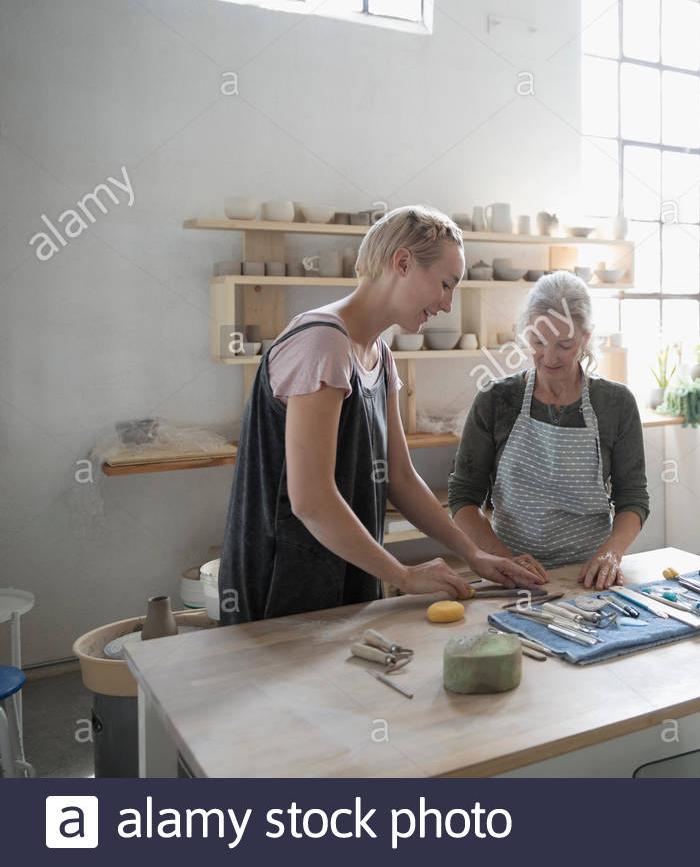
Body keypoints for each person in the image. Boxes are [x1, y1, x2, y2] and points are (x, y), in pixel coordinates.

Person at [218, 206, 541, 625]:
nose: (446, 305)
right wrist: (403, 574)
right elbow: (310, 500)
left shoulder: (380, 354)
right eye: (445, 285)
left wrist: (472, 553)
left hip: (348, 570)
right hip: (283, 581)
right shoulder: (322, 341)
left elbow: (400, 479)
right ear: (402, 263)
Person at [449, 272, 649, 589]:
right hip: (512, 577)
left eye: (564, 345)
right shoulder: (496, 400)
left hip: (588, 577)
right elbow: (462, 498)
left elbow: (633, 498)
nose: (549, 357)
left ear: (586, 337)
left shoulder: (616, 404)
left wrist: (610, 554)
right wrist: (503, 559)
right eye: (538, 342)